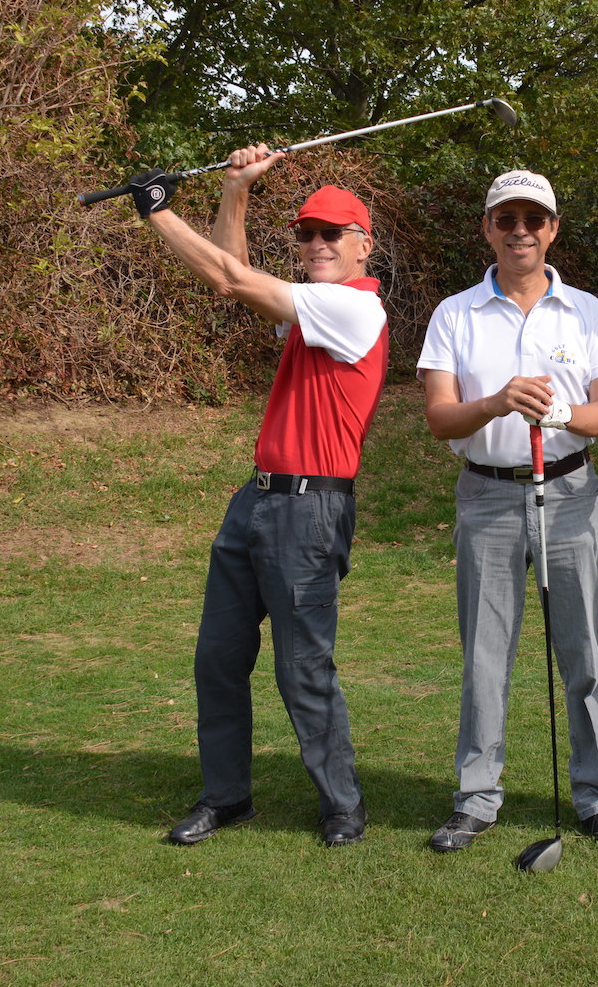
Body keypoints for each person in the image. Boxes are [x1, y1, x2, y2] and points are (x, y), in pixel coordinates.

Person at [124, 149, 388, 848]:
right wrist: (236, 191)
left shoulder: (353, 310)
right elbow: (232, 280)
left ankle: (341, 805)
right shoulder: (311, 312)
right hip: (258, 499)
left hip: (310, 511)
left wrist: (157, 210)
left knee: (303, 668)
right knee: (218, 658)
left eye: (333, 233)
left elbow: (228, 274)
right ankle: (227, 796)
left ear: (365, 245)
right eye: (306, 233)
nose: (317, 244)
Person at [416, 169, 598, 855]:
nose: (520, 232)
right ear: (487, 228)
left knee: (585, 651)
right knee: (486, 655)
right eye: (506, 219)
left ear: (553, 229)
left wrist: (560, 410)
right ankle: (477, 797)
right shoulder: (454, 313)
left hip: (570, 493)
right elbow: (439, 417)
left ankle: (596, 797)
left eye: (533, 220)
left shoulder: (587, 309)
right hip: (487, 495)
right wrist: (495, 402)